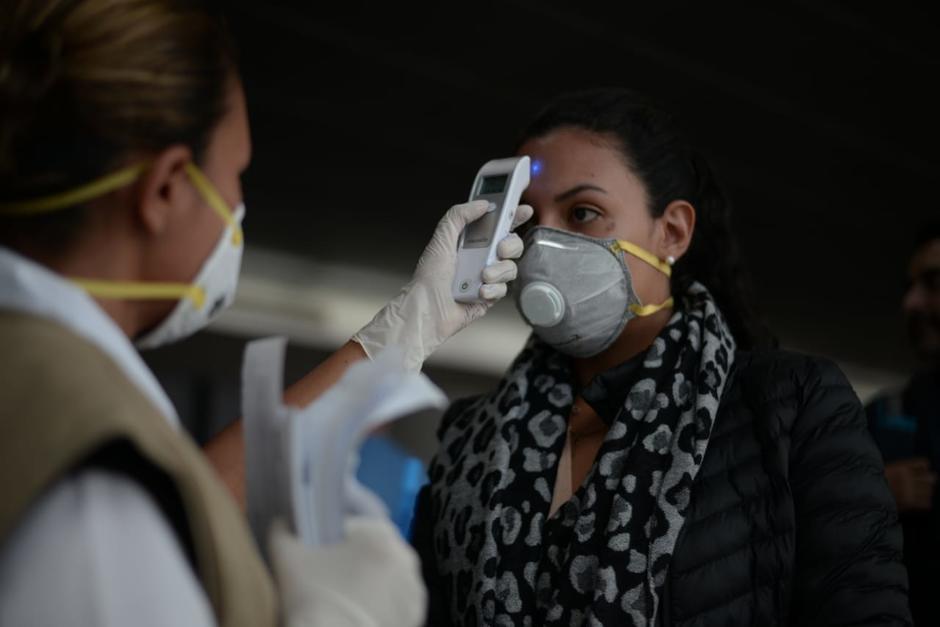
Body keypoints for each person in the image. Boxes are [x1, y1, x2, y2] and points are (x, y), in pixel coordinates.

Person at [0, 1, 530, 625]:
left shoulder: (38, 375)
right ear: (167, 189)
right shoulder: (91, 483)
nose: (237, 204)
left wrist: (407, 329)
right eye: (236, 174)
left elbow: (187, 490)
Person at [411, 88, 912, 626]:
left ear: (671, 232)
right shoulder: (469, 438)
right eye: (527, 219)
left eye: (584, 212)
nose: (540, 245)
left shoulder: (790, 406)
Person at [866, 222, 940, 626]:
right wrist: (873, 496)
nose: (911, 303)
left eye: (933, 283)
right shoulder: (885, 415)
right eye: (911, 286)